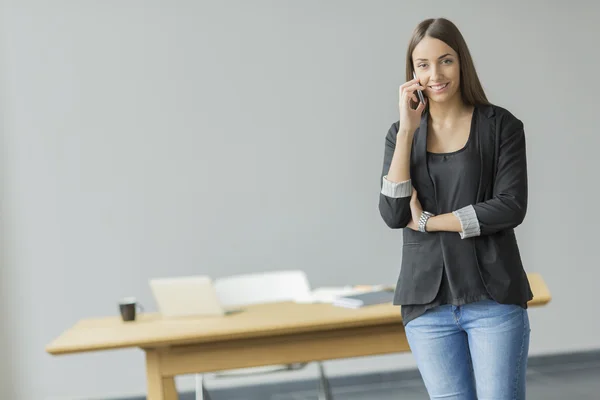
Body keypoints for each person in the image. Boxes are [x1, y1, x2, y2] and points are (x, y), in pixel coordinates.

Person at [378, 18, 533, 399]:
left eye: (445, 61)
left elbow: (510, 206)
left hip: (492, 297)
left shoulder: (502, 127)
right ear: (412, 73)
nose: (435, 74)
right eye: (423, 65)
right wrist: (408, 131)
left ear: (461, 62)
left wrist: (431, 222)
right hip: (426, 305)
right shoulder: (401, 135)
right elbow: (394, 214)